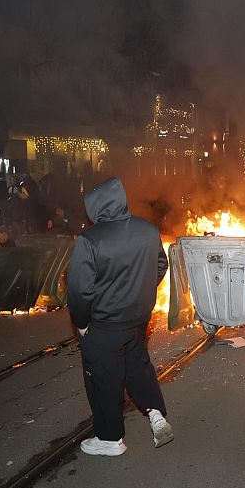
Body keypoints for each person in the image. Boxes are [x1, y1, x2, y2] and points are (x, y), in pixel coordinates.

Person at [67, 177, 172, 456]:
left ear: (95, 206)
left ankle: (110, 439)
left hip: (104, 325)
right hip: (138, 319)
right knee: (137, 366)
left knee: (104, 378)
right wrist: (141, 292)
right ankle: (156, 413)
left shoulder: (90, 240)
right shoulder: (147, 230)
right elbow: (161, 265)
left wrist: (82, 323)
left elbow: (79, 291)